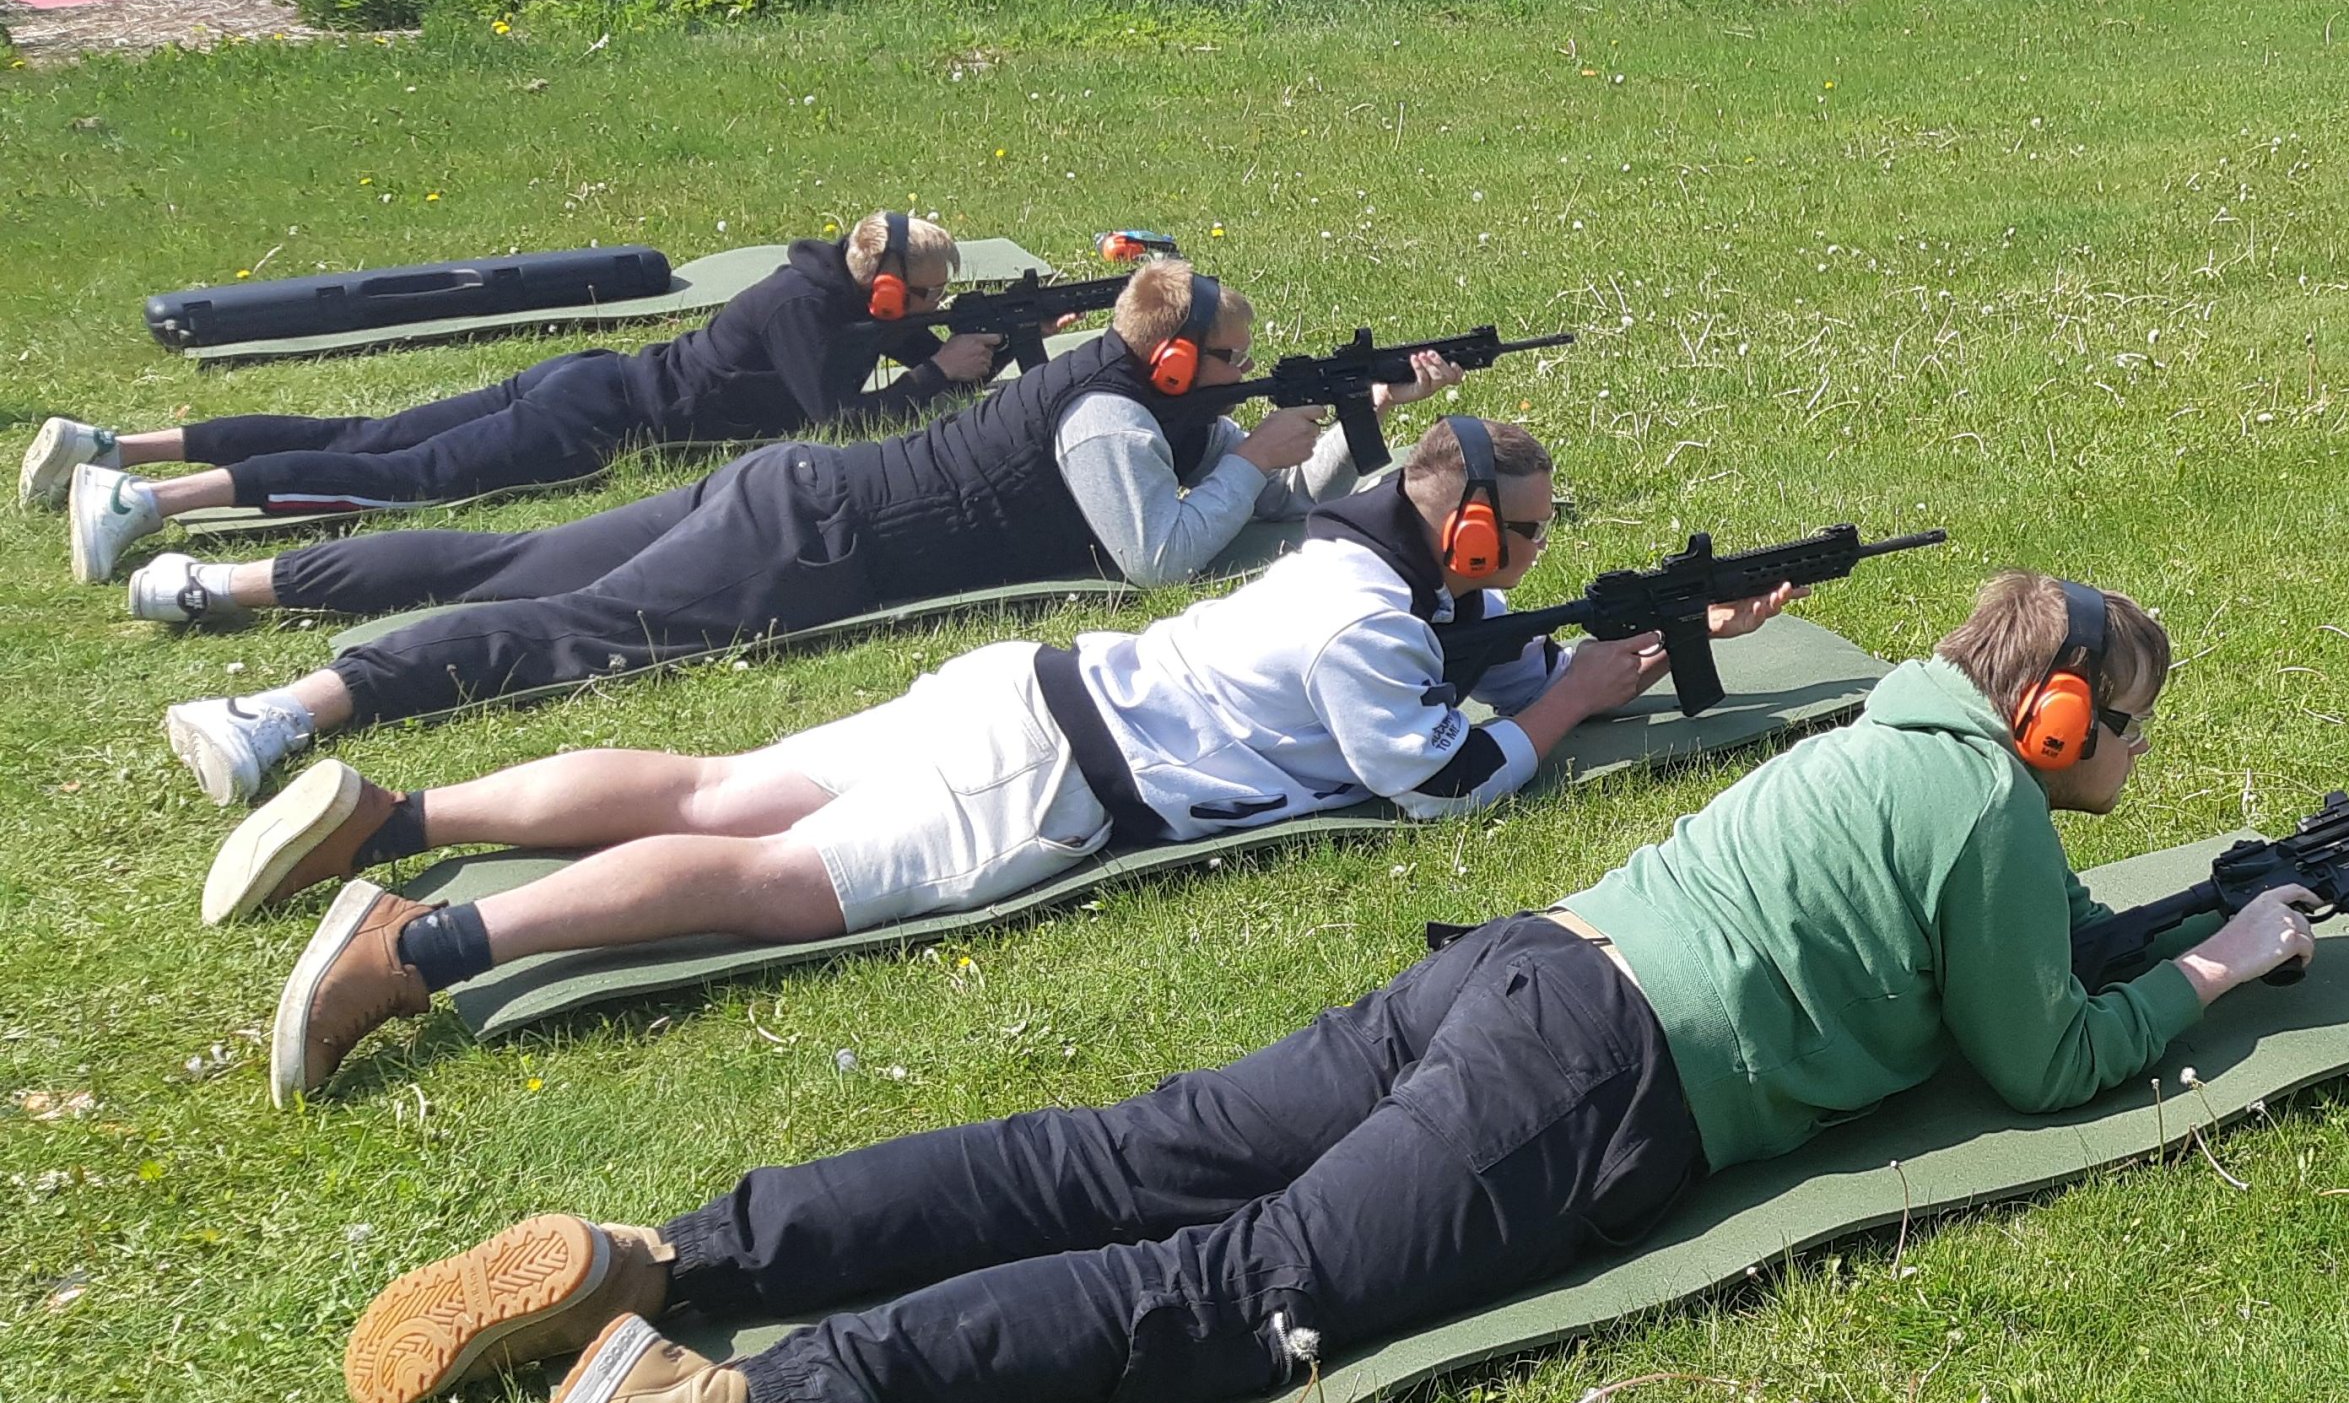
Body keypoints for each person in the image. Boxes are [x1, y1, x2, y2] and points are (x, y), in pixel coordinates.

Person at [347, 570, 2349, 1403]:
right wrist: (2221, 976)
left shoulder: (1898, 730)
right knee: (1243, 1296)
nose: (2130, 757)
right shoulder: (1988, 808)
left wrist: (2196, 911)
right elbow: (2043, 1055)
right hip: (1598, 1085)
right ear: (2053, 715)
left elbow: (2029, 941)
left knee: (1115, 1151)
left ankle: (670, 1256)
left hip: (1511, 969)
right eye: (2124, 728)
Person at [246, 415, 1796, 1106]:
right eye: (1524, 533)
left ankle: (393, 815)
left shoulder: (1356, 567)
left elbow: (1492, 644)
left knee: (713, 781)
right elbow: (1442, 785)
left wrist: (1653, 637)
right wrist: (1575, 706)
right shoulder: (1364, 626)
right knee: (764, 880)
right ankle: (419, 948)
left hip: (1022, 689)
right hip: (1044, 784)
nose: (1531, 557)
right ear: (1460, 526)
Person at [154, 259, 1441, 808]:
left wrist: (1356, 424)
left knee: (519, 561)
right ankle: (287, 711)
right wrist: (1254, 459)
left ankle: (223, 584)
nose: (1242, 376)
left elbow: (1264, 501)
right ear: (1168, 361)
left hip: (797, 490)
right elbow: (1161, 556)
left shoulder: (1146, 404)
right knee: (567, 625)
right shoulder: (1108, 422)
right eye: (1230, 361)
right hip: (806, 545)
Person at [37, 216, 1010, 603]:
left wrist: (970, 342)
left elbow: (885, 348)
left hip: (590, 378)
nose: (929, 308)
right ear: (884, 283)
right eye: (923, 294)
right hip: (592, 421)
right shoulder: (801, 309)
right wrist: (934, 377)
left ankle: (114, 447)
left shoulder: (829, 294)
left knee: (365, 434)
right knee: (398, 475)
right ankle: (147, 503)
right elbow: (830, 424)